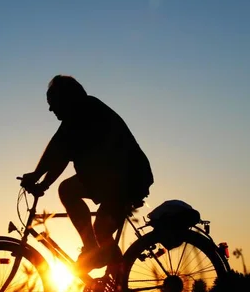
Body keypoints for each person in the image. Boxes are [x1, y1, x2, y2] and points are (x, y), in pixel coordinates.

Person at [21, 74, 154, 275]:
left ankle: (95, 253)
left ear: (65, 98)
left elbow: (60, 152)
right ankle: (117, 284)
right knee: (69, 191)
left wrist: (39, 177)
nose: (50, 109)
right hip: (112, 179)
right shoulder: (79, 113)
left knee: (100, 227)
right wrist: (41, 180)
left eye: (52, 103)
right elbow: (59, 150)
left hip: (127, 178)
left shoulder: (85, 111)